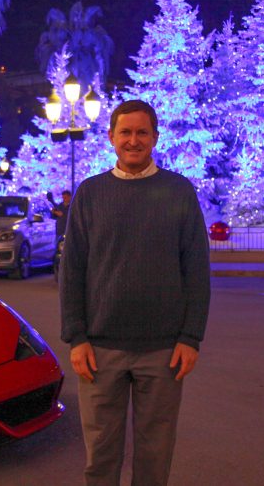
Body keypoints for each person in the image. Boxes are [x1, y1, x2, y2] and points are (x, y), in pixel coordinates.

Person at [60, 99, 210, 486]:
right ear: (111, 138)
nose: (133, 140)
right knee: (101, 455)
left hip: (163, 351)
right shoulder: (90, 194)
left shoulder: (179, 192)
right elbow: (72, 270)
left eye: (142, 132)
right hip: (99, 350)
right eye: (125, 132)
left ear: (155, 138)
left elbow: (195, 270)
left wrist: (190, 337)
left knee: (155, 455)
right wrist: (76, 338)